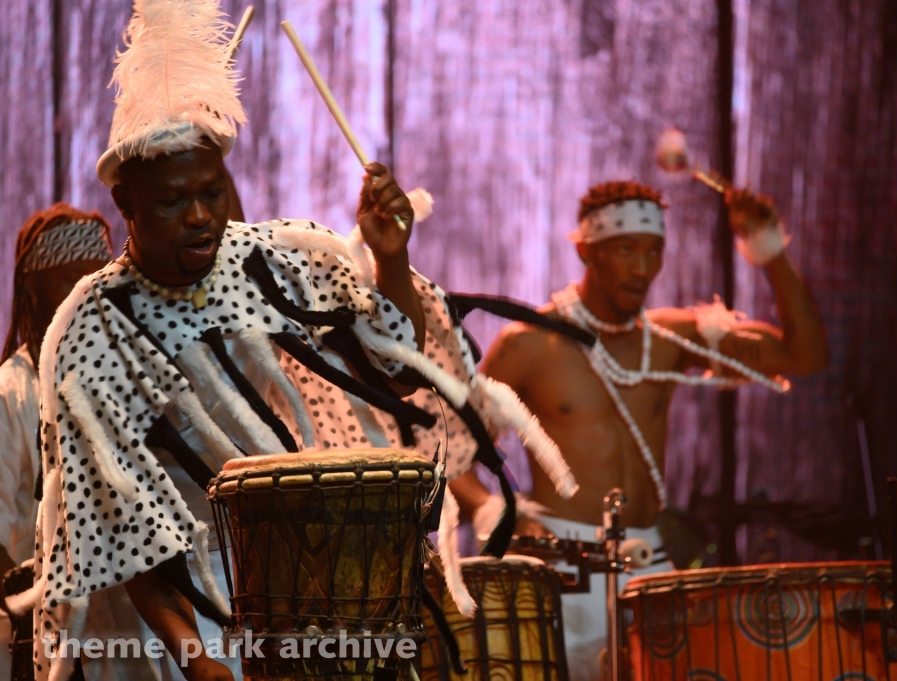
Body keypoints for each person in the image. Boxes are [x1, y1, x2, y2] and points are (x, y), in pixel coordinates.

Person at [17, 2, 574, 680]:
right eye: (171, 201)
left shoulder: (266, 260)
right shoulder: (91, 329)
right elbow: (124, 529)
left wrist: (391, 258)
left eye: (212, 191)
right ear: (126, 206)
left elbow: (393, 368)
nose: (200, 215)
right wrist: (203, 663)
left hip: (275, 589)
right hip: (149, 619)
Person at [450, 180, 829, 680]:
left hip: (647, 569)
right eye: (626, 250)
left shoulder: (670, 339)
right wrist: (492, 511)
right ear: (587, 249)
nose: (644, 268)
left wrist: (769, 249)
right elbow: (449, 453)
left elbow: (805, 356)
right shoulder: (530, 344)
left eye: (654, 251)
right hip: (558, 571)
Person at [0, 205, 113, 681]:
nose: (81, 297)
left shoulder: (119, 374)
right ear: (33, 288)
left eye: (93, 281)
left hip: (118, 626)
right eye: (68, 282)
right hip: (38, 635)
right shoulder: (12, 390)